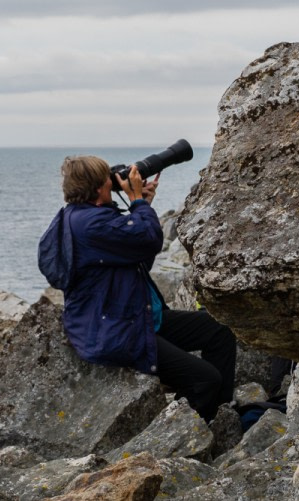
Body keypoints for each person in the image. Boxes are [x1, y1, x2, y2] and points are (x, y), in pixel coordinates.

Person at [38, 155, 236, 421]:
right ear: (98, 188)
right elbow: (150, 240)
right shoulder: (91, 224)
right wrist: (137, 203)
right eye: (109, 180)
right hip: (116, 331)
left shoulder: (86, 217)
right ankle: (188, 432)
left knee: (219, 330)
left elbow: (140, 255)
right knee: (205, 379)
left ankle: (221, 418)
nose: (114, 183)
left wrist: (143, 205)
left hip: (134, 318)